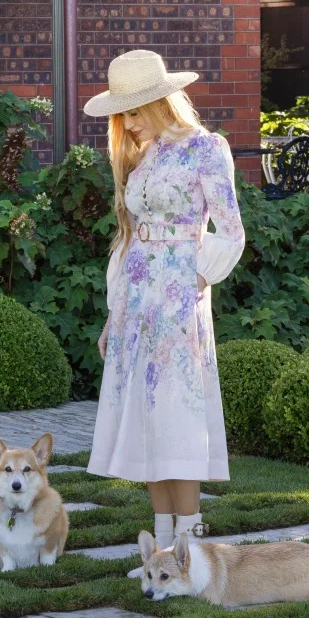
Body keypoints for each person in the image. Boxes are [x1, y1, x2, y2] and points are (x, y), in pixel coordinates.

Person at [84, 49, 245, 553]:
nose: (128, 124)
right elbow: (127, 238)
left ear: (159, 101)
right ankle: (159, 553)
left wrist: (194, 281)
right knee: (148, 420)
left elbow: (232, 231)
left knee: (177, 415)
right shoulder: (144, 156)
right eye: (122, 114)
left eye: (134, 111)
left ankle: (191, 550)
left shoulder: (206, 148)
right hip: (135, 302)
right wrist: (115, 314)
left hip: (178, 303)